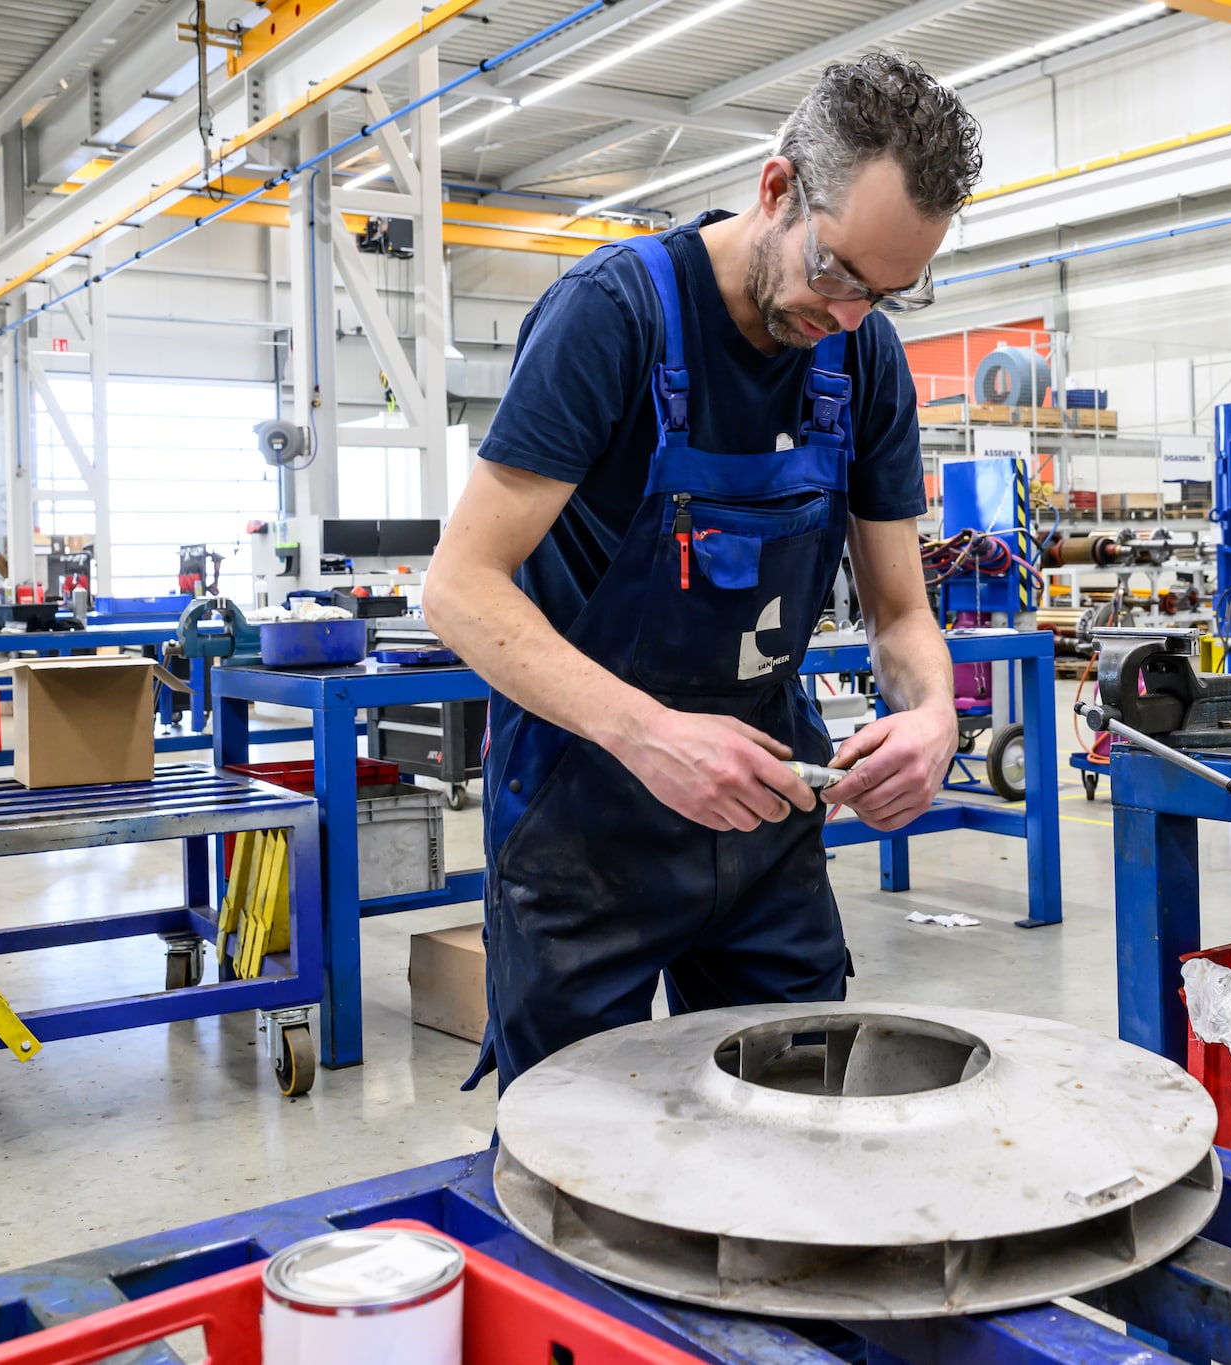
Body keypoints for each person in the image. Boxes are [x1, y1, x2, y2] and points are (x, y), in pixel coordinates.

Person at [423, 53, 983, 1091]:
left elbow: (901, 611)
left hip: (767, 823)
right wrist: (650, 735)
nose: (849, 316)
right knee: (582, 1150)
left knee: (798, 1126)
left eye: (886, 294)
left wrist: (934, 714)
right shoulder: (613, 316)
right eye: (836, 273)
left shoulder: (862, 357)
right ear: (776, 189)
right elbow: (459, 587)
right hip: (586, 824)